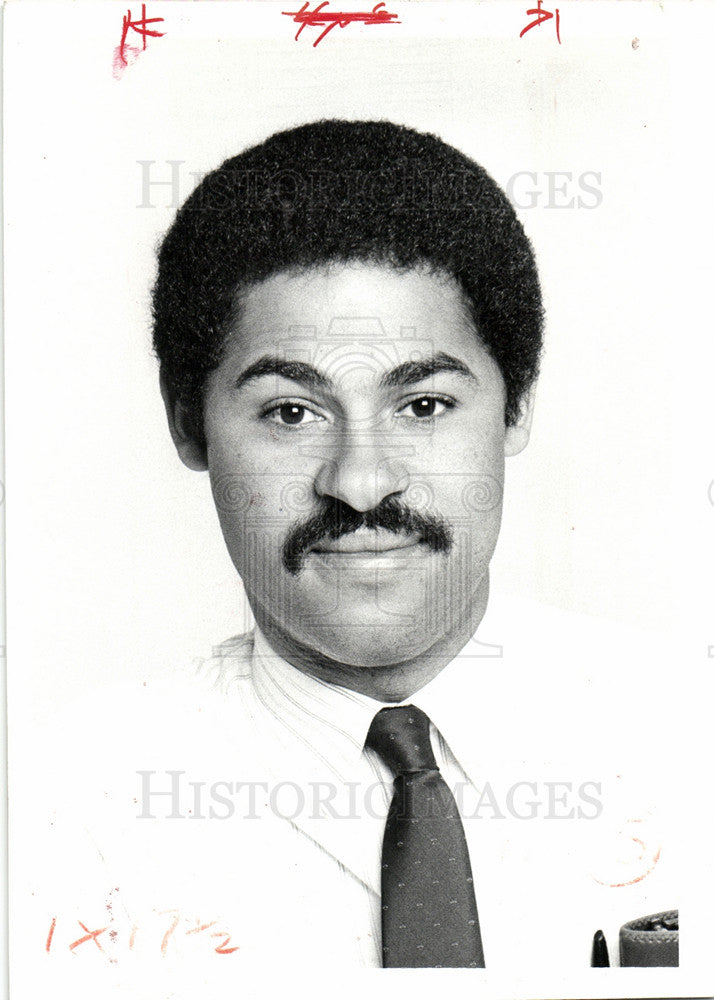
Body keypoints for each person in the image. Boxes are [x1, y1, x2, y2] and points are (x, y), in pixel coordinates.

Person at [32, 120, 678, 981]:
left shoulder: (685, 728)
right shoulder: (61, 811)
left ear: (516, 405)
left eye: (425, 406)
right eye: (291, 412)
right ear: (189, 423)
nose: (363, 483)